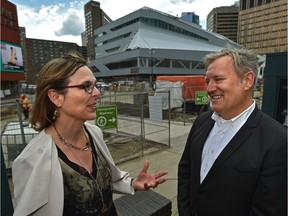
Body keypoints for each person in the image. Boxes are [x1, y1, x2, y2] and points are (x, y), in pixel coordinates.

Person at [12, 51, 167, 216]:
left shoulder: (95, 133)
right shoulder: (32, 160)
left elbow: (106, 181)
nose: (97, 93)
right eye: (86, 86)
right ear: (56, 97)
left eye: (95, 85)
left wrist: (133, 183)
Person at [177, 47, 287, 216]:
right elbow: (186, 171)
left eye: (218, 79)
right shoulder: (202, 121)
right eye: (207, 81)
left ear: (248, 80)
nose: (210, 88)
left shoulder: (278, 141)